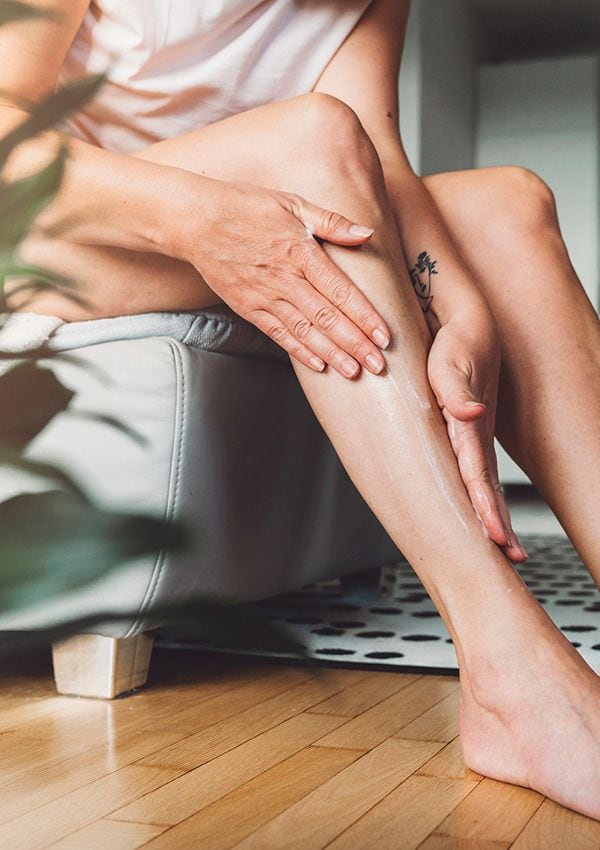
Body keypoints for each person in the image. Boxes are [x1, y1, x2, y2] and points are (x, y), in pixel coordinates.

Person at [2, 0, 599, 819]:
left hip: (239, 208)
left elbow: (376, 160)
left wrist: (460, 306)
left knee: (510, 205)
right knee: (307, 141)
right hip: (50, 236)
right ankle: (514, 680)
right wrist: (199, 217)